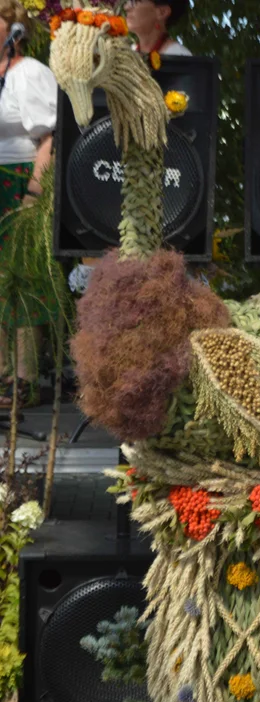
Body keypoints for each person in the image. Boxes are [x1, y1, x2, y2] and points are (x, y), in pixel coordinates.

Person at [0, 0, 59, 408]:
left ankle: (23, 379)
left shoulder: (30, 73)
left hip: (19, 178)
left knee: (22, 278)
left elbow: (50, 137)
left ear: (11, 27)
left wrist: (34, 193)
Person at [125, 0, 192, 57]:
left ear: (162, 12)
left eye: (134, 2)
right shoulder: (128, 53)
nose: (126, 7)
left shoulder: (178, 57)